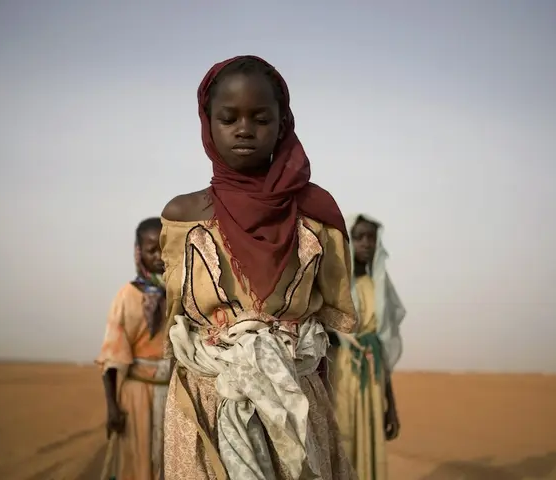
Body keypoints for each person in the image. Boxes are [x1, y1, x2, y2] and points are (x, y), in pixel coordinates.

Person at [159, 55, 359, 480]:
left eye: (260, 118)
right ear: (207, 124)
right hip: (206, 401)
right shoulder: (183, 216)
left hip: (295, 403)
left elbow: (327, 324)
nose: (244, 129)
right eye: (228, 118)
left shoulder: (316, 215)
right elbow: (175, 313)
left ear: (282, 124)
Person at [328, 213, 406, 480]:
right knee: (343, 441)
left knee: (370, 443)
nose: (365, 244)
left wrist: (391, 405)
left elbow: (382, 348)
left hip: (373, 378)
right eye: (359, 237)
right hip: (340, 376)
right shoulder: (334, 286)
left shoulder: (379, 287)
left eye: (371, 238)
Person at [96, 217, 170, 480]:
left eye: (164, 247)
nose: (160, 256)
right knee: (139, 461)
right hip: (137, 395)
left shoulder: (182, 293)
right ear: (138, 252)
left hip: (174, 396)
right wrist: (112, 408)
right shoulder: (126, 296)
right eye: (152, 250)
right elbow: (112, 359)